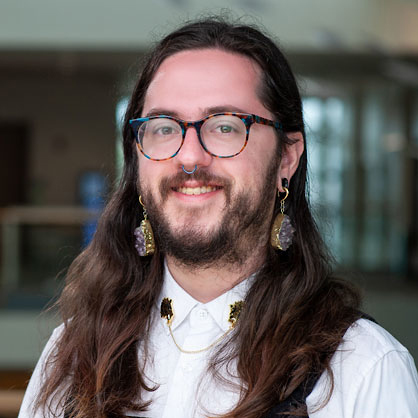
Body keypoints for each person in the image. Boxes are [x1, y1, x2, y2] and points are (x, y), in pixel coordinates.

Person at [19, 18, 418, 418]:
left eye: (225, 126)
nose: (190, 157)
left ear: (286, 157)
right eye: (164, 128)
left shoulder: (363, 369)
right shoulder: (72, 353)